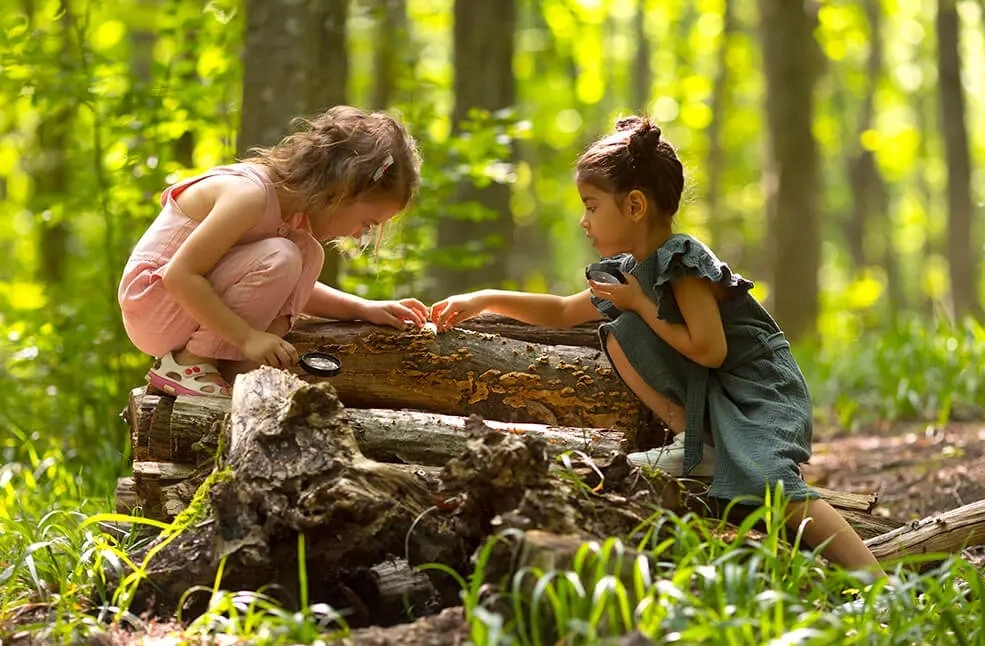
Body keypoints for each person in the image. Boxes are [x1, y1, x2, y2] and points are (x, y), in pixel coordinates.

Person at [429, 115, 884, 575]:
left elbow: (711, 350)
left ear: (635, 206)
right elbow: (565, 312)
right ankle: (698, 444)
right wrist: (483, 300)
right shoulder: (630, 270)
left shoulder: (682, 260)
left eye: (591, 207)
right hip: (715, 393)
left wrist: (642, 304)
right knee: (616, 329)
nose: (584, 221)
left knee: (771, 484)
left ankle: (877, 581)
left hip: (760, 391)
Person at [119, 105, 429, 398]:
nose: (360, 233)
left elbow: (284, 289)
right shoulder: (249, 195)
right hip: (154, 303)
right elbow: (180, 276)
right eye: (367, 222)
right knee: (285, 254)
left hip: (182, 308)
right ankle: (188, 365)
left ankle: (237, 370)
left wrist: (364, 309)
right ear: (343, 190)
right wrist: (247, 338)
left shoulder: (289, 216)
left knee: (307, 253)